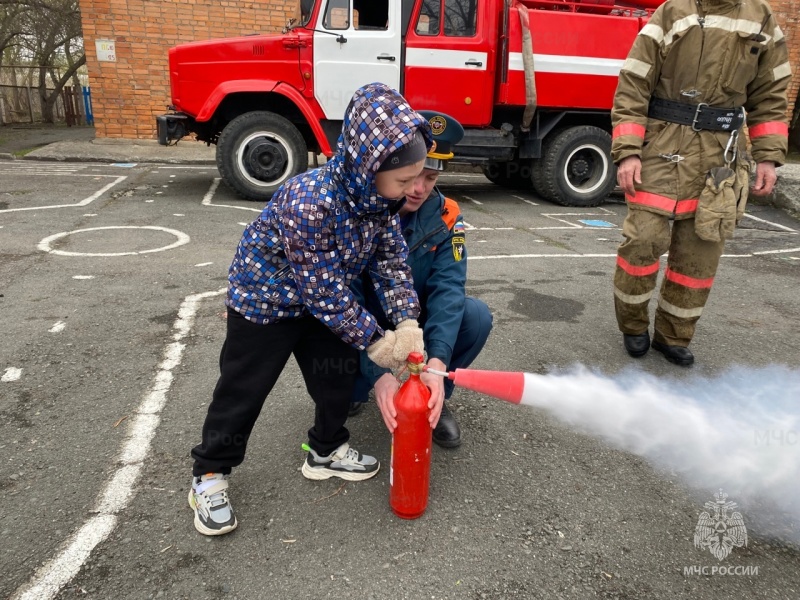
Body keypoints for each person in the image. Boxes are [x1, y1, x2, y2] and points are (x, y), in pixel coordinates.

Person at [188, 82, 434, 536]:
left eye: (417, 177)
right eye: (403, 180)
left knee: (335, 374)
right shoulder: (310, 200)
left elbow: (391, 260)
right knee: (244, 388)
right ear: (368, 165)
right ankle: (209, 474)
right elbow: (321, 290)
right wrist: (378, 339)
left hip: (321, 304)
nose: (411, 189)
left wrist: (406, 320)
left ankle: (326, 449)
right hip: (266, 302)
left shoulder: (380, 202)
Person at [611, 0, 790, 366]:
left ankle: (673, 336)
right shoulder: (672, 11)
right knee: (642, 242)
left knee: (700, 254)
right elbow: (633, 84)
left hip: (720, 156)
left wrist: (769, 156)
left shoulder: (761, 17)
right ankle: (632, 326)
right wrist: (628, 150)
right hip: (661, 145)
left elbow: (770, 95)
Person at [349, 111, 494, 448]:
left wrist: (436, 362)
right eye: (413, 176)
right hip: (364, 322)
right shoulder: (363, 209)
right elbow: (345, 299)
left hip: (415, 324)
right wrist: (380, 376)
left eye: (430, 178)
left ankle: (432, 396)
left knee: (474, 316)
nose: (418, 189)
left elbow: (449, 291)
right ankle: (356, 388)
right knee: (323, 322)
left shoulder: (447, 216)